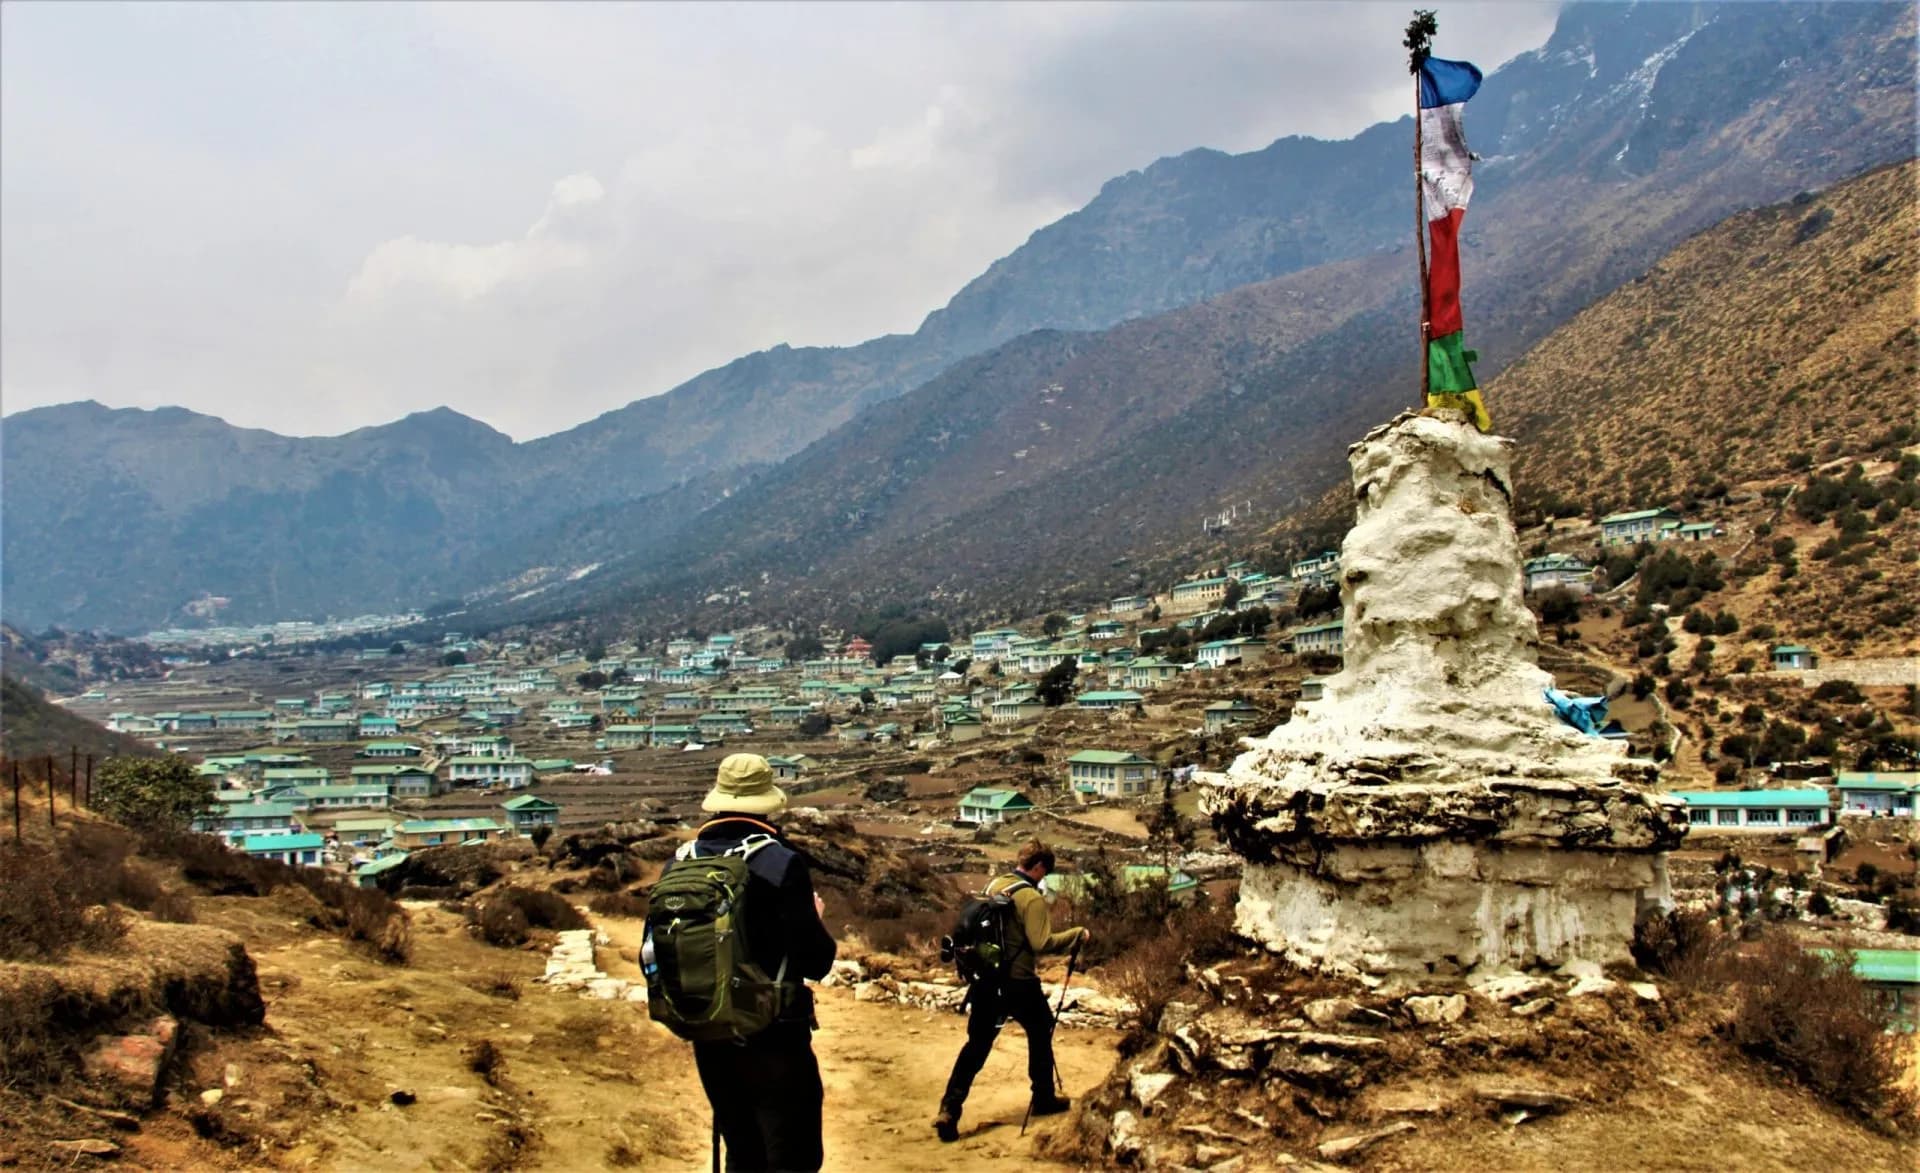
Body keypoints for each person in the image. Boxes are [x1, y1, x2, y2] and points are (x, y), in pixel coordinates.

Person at [684, 753, 838, 1172]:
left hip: (709, 1034)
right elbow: (817, 960)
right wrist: (817, 920)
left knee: (743, 1149)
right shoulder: (778, 861)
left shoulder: (683, 859)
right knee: (792, 1154)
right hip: (773, 1034)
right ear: (768, 803)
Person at [933, 839, 1088, 1143]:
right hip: (1019, 983)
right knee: (1041, 1030)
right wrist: (1077, 934)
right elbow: (1041, 943)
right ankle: (1043, 1097)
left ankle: (949, 1109)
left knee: (976, 1047)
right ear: (1040, 866)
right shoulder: (1031, 898)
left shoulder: (995, 885)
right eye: (1046, 871)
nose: (1045, 877)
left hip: (987, 982)